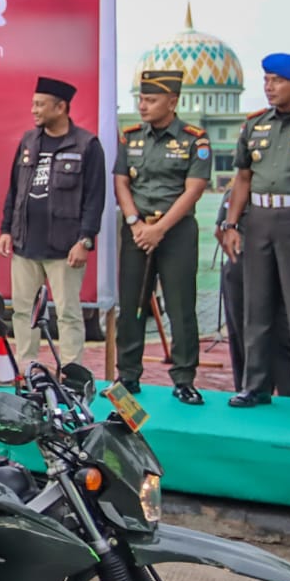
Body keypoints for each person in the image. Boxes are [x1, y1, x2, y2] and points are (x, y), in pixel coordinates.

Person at [114, 70, 210, 404]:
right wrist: (134, 222)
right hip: (137, 230)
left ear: (172, 101)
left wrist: (159, 229)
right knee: (131, 304)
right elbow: (122, 181)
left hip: (176, 231)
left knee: (181, 306)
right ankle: (128, 374)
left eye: (151, 100)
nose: (142, 106)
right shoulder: (130, 137)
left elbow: (194, 189)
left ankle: (184, 378)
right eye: (140, 99)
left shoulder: (193, 139)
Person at [0, 76, 106, 370]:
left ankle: (71, 372)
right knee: (22, 311)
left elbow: (95, 198)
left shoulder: (87, 145)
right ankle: (27, 368)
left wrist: (85, 240)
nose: (34, 110)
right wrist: (6, 229)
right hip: (24, 243)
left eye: (40, 105)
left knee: (68, 313)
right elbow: (14, 189)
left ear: (61, 107)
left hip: (65, 246)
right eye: (33, 104)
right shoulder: (28, 141)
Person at [220, 52, 290, 410]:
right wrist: (231, 224)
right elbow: (243, 178)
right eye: (267, 80)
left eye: (278, 81)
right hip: (259, 222)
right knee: (256, 306)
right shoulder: (256, 125)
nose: (269, 87)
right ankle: (255, 386)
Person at [217, 189, 290, 398]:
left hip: (285, 266)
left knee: (287, 334)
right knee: (245, 334)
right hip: (242, 266)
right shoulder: (236, 192)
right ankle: (251, 389)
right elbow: (221, 230)